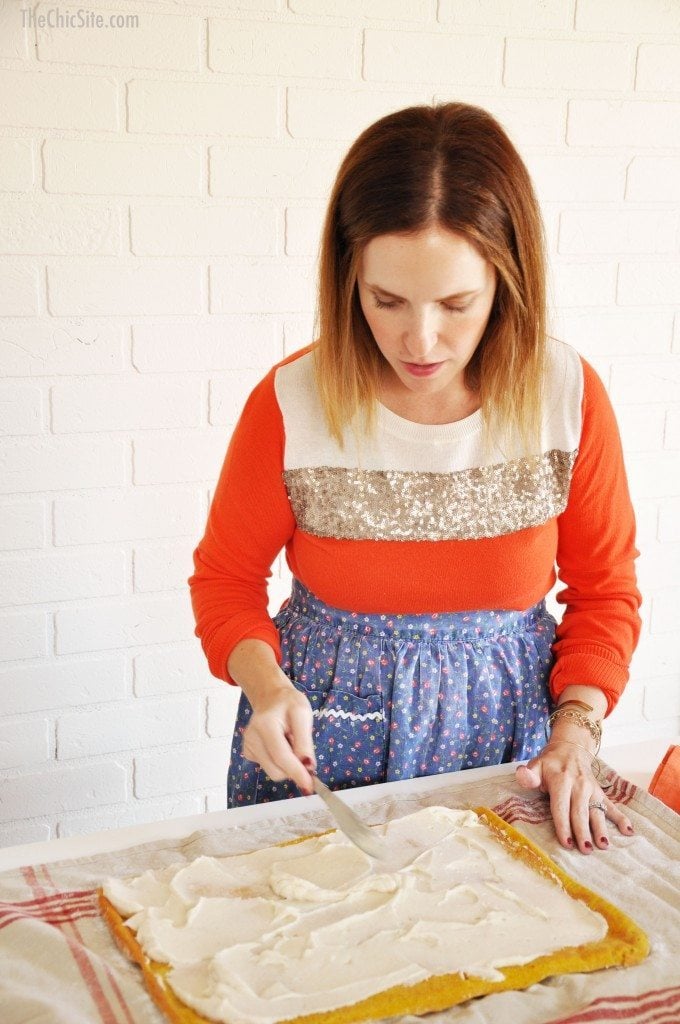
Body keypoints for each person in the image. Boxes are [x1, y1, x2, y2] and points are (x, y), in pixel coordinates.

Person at [189, 102, 642, 856]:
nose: (420, 339)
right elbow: (225, 581)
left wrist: (577, 731)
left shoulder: (567, 396)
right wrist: (267, 689)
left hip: (511, 750)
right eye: (386, 300)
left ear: (508, 280)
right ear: (348, 279)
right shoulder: (292, 401)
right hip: (327, 753)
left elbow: (606, 593)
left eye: (457, 304)